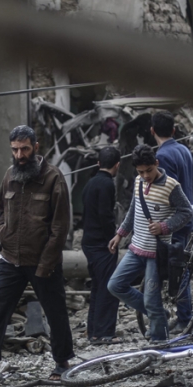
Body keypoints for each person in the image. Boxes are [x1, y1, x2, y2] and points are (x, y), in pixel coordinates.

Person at [0, 125, 74, 385]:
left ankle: (62, 363)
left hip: (43, 260)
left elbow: (60, 227)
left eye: (24, 149)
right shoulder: (10, 175)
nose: (20, 155)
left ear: (36, 147)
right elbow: (1, 206)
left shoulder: (53, 178)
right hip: (10, 258)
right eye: (15, 150)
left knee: (55, 313)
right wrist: (3, 232)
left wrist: (47, 263)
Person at [107, 144, 193, 342]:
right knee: (115, 285)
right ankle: (160, 317)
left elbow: (187, 212)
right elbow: (133, 210)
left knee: (151, 299)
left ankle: (159, 340)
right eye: (141, 171)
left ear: (156, 163)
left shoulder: (171, 186)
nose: (145, 175)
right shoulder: (138, 181)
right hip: (136, 248)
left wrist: (164, 227)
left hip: (157, 253)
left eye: (149, 170)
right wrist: (120, 234)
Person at [151, 111, 193, 328]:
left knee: (177, 271)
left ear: (152, 131)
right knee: (182, 269)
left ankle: (185, 320)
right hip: (187, 219)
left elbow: (166, 193)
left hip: (172, 224)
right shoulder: (184, 151)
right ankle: (185, 317)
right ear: (173, 130)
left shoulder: (162, 157)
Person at [80, 146, 122, 342]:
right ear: (117, 165)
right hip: (101, 244)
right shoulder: (107, 185)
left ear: (98, 163)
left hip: (89, 243)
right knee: (108, 287)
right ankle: (104, 332)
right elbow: (106, 216)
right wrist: (112, 239)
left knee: (97, 287)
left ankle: (93, 330)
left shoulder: (89, 184)